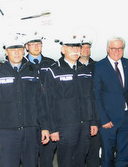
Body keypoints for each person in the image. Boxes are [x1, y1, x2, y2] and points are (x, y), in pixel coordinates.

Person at [0, 35, 50, 167]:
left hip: (31, 131)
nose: (16, 53)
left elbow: (40, 102)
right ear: (6, 51)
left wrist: (45, 127)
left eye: (19, 49)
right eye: (12, 50)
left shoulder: (33, 72)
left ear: (24, 51)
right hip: (7, 133)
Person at [43, 35, 98, 167]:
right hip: (65, 126)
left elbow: (92, 98)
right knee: (66, 160)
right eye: (71, 47)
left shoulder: (85, 71)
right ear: (63, 50)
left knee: (80, 158)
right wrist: (53, 129)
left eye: (77, 47)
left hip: (84, 124)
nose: (75, 50)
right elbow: (49, 102)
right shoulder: (54, 70)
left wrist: (94, 122)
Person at [93, 36, 128, 167]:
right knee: (107, 155)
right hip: (108, 120)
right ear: (107, 49)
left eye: (120, 48)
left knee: (125, 153)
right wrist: (103, 119)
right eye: (113, 48)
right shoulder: (99, 66)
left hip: (127, 117)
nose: (117, 51)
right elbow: (96, 95)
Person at [22, 31, 56, 167]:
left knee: (47, 156)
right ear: (26, 46)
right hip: (29, 117)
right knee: (30, 158)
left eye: (39, 43)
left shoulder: (51, 64)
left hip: (49, 114)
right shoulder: (21, 65)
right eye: (32, 44)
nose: (36, 46)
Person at [80, 37, 102, 167]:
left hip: (95, 114)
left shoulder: (97, 66)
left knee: (94, 151)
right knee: (79, 153)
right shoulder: (73, 67)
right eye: (83, 47)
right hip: (79, 116)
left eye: (88, 47)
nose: (85, 49)